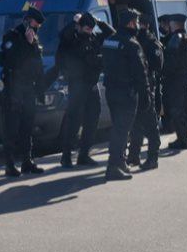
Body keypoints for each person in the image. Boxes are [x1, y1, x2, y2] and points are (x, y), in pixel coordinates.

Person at [51, 12, 115, 168]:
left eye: (90, 29)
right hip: (77, 85)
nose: (88, 32)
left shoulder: (93, 38)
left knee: (93, 119)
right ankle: (66, 156)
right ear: (79, 27)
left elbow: (112, 35)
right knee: (74, 120)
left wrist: (99, 22)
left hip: (92, 84)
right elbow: (63, 36)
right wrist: (75, 21)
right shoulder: (70, 39)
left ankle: (84, 154)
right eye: (86, 28)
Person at [0, 7, 47, 176]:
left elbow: (36, 64)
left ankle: (27, 161)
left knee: (28, 126)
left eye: (39, 25)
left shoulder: (33, 40)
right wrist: (26, 43)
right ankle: (10, 164)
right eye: (35, 23)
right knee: (12, 127)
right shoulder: (13, 37)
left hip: (28, 89)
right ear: (27, 21)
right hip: (14, 88)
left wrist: (40, 88)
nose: (37, 27)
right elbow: (11, 61)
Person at [102, 9, 149, 180]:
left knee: (118, 127)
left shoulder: (109, 41)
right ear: (130, 23)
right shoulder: (131, 44)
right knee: (121, 131)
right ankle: (113, 166)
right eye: (136, 22)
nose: (137, 25)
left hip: (111, 91)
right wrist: (145, 95)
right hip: (126, 94)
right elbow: (140, 73)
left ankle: (120, 162)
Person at [127, 17, 163, 170]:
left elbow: (158, 64)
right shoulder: (134, 40)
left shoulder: (151, 42)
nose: (137, 26)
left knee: (150, 123)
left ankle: (152, 158)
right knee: (136, 123)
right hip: (136, 85)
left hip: (148, 85)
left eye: (139, 23)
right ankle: (134, 155)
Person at [162, 13, 187, 150]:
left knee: (177, 109)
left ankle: (183, 139)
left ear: (174, 24)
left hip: (176, 79)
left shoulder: (175, 39)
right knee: (186, 108)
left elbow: (170, 62)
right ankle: (185, 137)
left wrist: (164, 74)